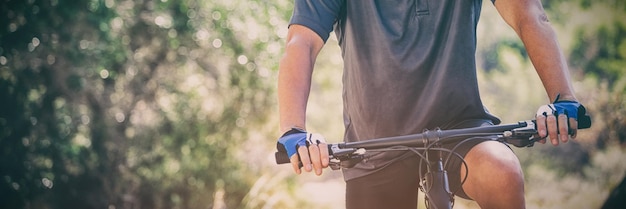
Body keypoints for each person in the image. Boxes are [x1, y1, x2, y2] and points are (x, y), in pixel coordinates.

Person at [276, 0, 587, 208]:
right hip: (373, 146)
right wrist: (294, 129)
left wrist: (563, 98)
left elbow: (528, 15)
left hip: (460, 127)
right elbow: (302, 42)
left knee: (502, 172)